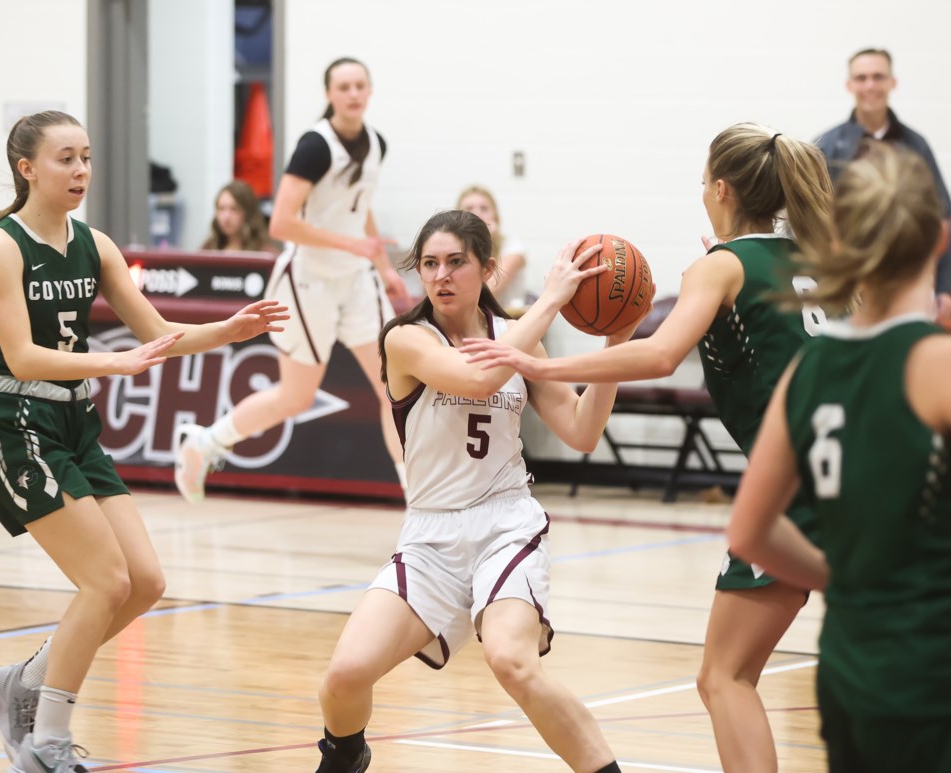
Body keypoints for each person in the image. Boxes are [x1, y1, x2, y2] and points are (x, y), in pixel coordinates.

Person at [461, 123, 835, 773]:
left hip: (796, 490)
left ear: (720, 189)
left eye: (700, 183)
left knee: (725, 676)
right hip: (868, 476)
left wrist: (541, 366)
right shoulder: (820, 263)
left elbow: (663, 354)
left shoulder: (722, 265)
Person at [0, 110, 288, 772]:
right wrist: (111, 363)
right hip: (16, 423)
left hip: (75, 423)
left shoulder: (94, 244)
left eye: (87, 157)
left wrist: (227, 330)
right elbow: (22, 356)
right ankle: (45, 745)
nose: (81, 171)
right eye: (66, 158)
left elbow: (154, 331)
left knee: (145, 582)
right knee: (104, 580)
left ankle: (24, 680)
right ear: (27, 167)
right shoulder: (2, 246)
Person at [314, 209, 631, 773]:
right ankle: (344, 756)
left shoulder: (520, 338)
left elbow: (582, 431)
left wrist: (613, 343)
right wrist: (551, 302)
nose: (441, 276)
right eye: (430, 264)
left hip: (505, 525)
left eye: (456, 263)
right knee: (344, 676)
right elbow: (480, 376)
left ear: (487, 269)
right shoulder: (406, 339)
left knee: (513, 661)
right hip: (431, 535)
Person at [727, 143, 951, 771]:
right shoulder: (936, 366)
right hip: (930, 669)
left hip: (851, 671)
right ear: (937, 240)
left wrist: (845, 579)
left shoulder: (810, 368)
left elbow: (749, 529)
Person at [175, 57, 409, 503]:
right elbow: (280, 223)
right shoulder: (315, 146)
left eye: (361, 85)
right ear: (329, 94)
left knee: (394, 390)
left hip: (357, 279)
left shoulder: (377, 143)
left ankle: (418, 504)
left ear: (370, 90)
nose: (353, 93)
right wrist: (351, 245)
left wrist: (382, 266)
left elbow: (361, 208)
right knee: (296, 397)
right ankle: (205, 443)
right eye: (344, 86)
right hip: (308, 280)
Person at [815, 48, 951, 306]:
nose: (870, 85)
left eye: (878, 77)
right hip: (846, 285)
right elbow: (808, 218)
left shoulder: (916, 145)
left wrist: (945, 289)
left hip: (908, 280)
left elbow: (943, 218)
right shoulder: (827, 147)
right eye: (862, 77)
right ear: (849, 84)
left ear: (892, 82)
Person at [456, 185, 530, 309]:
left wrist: (482, 242)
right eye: (469, 208)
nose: (477, 213)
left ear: (495, 217)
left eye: (484, 208)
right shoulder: (452, 250)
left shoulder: (513, 248)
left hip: (508, 321)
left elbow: (484, 294)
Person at [200, 179, 278, 253]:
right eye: (221, 209)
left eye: (234, 209)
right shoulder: (208, 249)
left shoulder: (264, 254)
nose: (226, 217)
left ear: (247, 213)